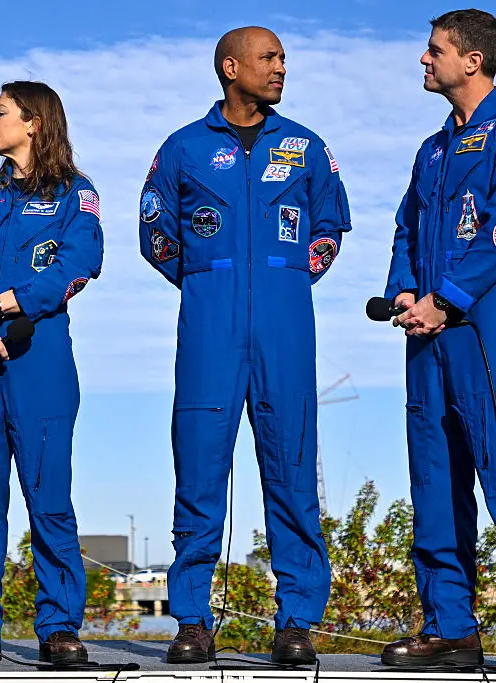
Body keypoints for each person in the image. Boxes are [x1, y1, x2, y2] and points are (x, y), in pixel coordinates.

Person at [140, 27, 351, 665]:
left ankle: (296, 622)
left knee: (291, 469)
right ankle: (193, 621)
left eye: (283, 57)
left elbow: (330, 223)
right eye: (269, 57)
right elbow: (155, 230)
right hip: (209, 324)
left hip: (285, 325)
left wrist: (283, 278)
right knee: (199, 471)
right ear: (231, 68)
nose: (281, 66)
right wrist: (209, 280)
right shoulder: (183, 147)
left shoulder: (305, 145)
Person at [380, 9, 496, 675]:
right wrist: (406, 289)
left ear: (473, 61)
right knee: (434, 478)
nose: (424, 60)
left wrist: (448, 297)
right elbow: (407, 227)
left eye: (435, 51)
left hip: (489, 325)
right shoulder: (431, 151)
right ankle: (450, 628)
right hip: (427, 333)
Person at [0, 81, 103, 666]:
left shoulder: (73, 194)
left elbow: (79, 264)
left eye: (0, 112)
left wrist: (2, 306)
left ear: (33, 123)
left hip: (41, 366)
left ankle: (58, 628)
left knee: (49, 502)